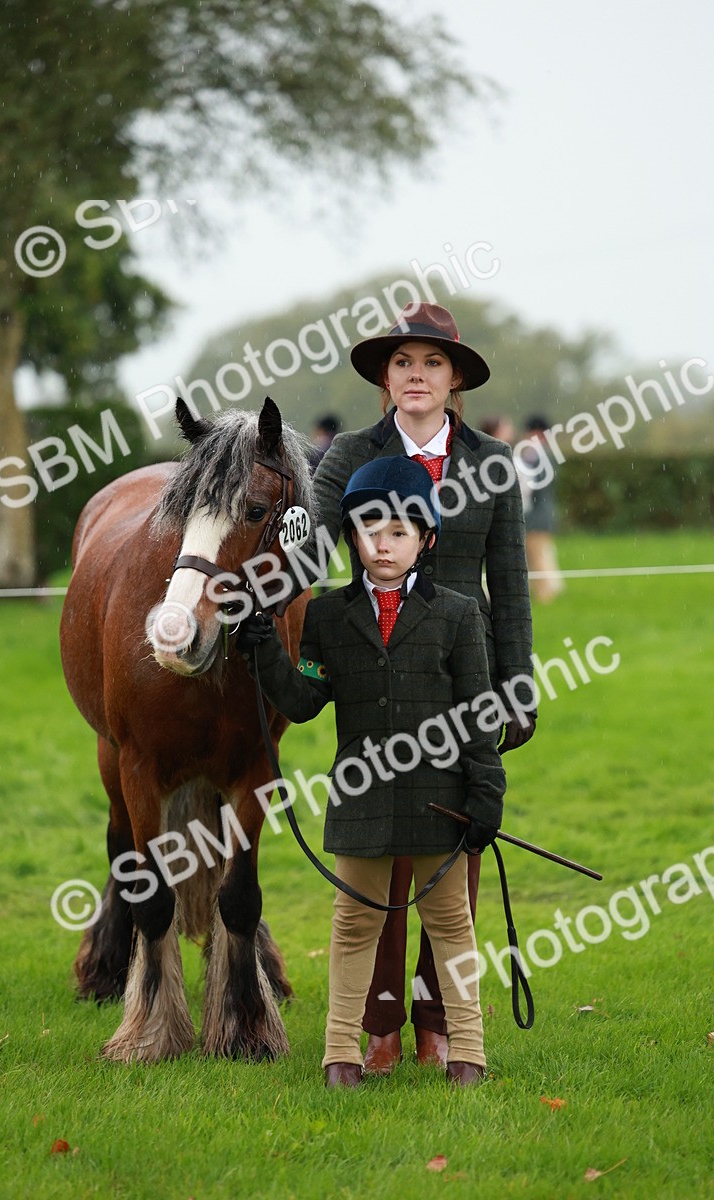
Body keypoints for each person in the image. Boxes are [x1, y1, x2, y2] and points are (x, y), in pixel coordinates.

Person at [310, 302, 534, 1073]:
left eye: (431, 363)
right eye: (403, 362)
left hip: (460, 682)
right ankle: (378, 1024)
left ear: (455, 379)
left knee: (450, 863)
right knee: (378, 855)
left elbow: (509, 584)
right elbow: (308, 542)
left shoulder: (491, 465)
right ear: (384, 376)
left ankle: (439, 1020)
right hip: (371, 674)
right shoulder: (345, 453)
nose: (416, 375)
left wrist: (519, 687)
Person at [241, 456, 506, 1088]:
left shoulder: (459, 615)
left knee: (451, 925)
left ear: (426, 540)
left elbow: (477, 715)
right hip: (361, 802)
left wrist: (486, 793)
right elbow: (305, 699)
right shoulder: (329, 617)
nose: (383, 545)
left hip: (440, 802)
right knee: (354, 923)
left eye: (398, 533)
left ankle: (468, 1051)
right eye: (368, 532)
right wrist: (266, 650)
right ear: (352, 538)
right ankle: (340, 1054)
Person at [521, 414, 563, 604]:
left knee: (537, 555)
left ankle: (546, 594)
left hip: (536, 516)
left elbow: (535, 487)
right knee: (542, 553)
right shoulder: (546, 453)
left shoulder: (536, 455)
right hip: (544, 513)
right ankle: (549, 590)